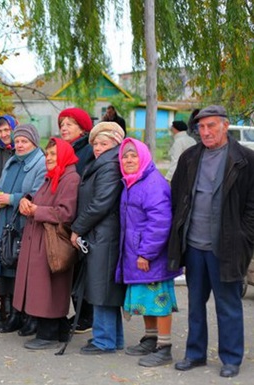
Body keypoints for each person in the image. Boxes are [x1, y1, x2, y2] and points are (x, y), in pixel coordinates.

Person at [168, 105, 254, 378]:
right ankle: (195, 353)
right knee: (195, 302)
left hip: (227, 246)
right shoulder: (190, 157)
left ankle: (230, 358)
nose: (205, 132)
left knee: (228, 305)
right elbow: (177, 196)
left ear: (225, 126)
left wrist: (244, 236)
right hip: (194, 245)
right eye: (201, 127)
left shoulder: (246, 160)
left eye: (211, 126)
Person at [117, 138, 180, 367]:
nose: (129, 159)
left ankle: (164, 347)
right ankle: (150, 338)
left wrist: (146, 254)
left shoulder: (153, 183)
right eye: (125, 156)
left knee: (158, 300)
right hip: (137, 253)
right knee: (145, 299)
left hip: (150, 256)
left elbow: (160, 222)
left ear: (144, 156)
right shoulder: (131, 181)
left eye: (134, 155)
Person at [13, 138, 80, 349]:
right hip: (40, 237)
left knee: (49, 287)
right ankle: (59, 330)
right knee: (44, 286)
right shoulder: (53, 176)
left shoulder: (70, 178)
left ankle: (47, 334)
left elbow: (65, 213)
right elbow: (40, 198)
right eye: (48, 154)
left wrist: (36, 211)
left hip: (51, 241)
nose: (48, 158)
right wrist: (26, 199)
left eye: (53, 154)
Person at [70, 121, 126, 355]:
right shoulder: (103, 162)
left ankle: (104, 340)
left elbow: (100, 203)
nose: (98, 147)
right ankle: (114, 338)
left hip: (104, 233)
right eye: (96, 143)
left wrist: (77, 228)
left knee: (101, 286)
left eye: (104, 143)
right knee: (104, 286)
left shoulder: (109, 165)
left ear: (115, 144)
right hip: (101, 232)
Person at [0, 124, 46, 335]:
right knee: (8, 270)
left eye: (24, 141)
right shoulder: (11, 161)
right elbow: (0, 187)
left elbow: (38, 195)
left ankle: (30, 316)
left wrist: (10, 199)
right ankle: (14, 314)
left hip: (25, 225)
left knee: (25, 271)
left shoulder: (41, 163)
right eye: (18, 141)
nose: (20, 145)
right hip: (5, 224)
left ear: (34, 143)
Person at [57, 107, 95, 333]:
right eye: (62, 123)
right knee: (70, 267)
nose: (64, 127)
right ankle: (79, 313)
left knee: (83, 269)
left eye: (70, 123)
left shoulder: (88, 151)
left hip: (81, 217)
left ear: (82, 128)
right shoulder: (63, 150)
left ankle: (85, 317)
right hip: (66, 216)